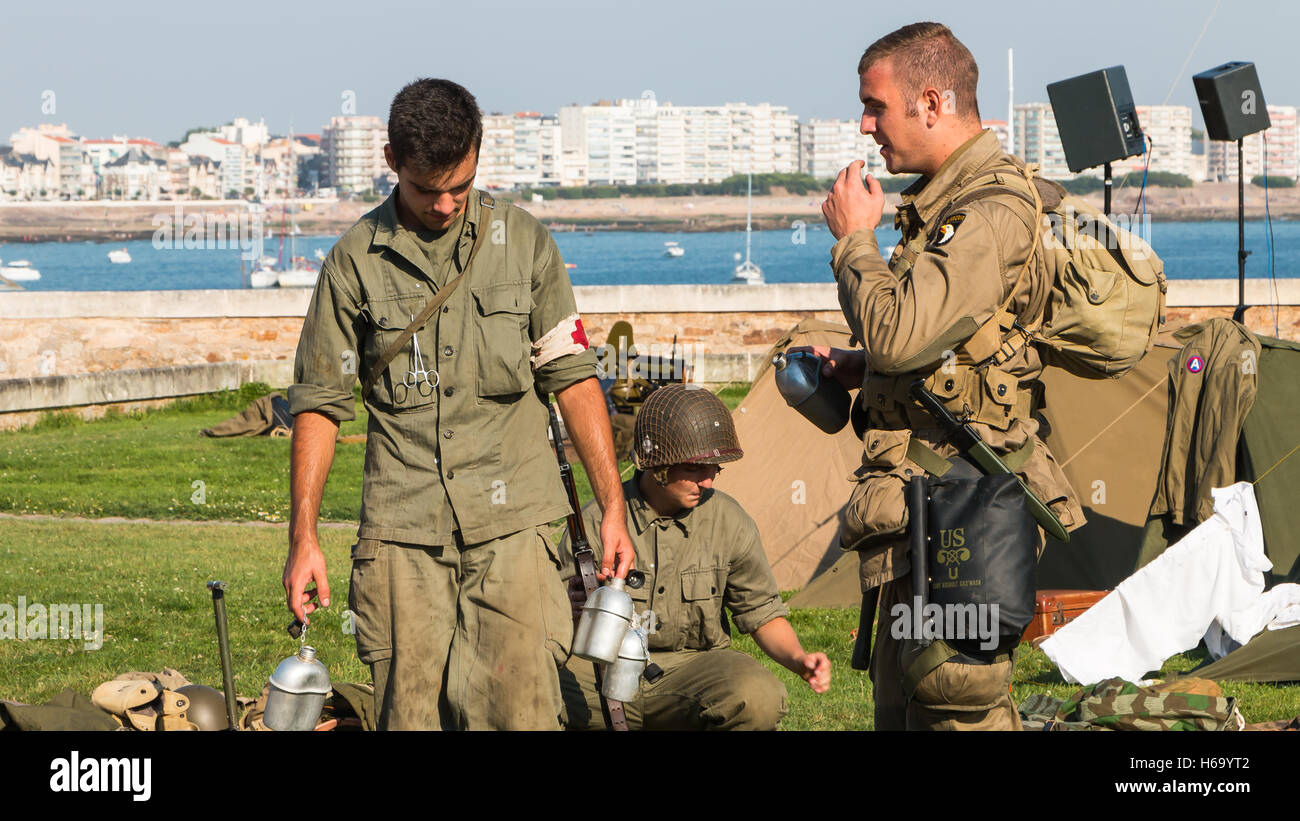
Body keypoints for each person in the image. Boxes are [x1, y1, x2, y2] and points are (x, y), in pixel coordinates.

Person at [282, 78, 634, 730]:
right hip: (402, 532)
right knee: (407, 714)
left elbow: (575, 376)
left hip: (516, 527)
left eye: (461, 186)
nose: (445, 204)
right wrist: (303, 536)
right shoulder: (351, 264)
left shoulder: (525, 244)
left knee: (521, 710)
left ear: (479, 152)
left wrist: (611, 503)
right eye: (426, 189)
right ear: (391, 160)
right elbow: (319, 406)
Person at [814, 22, 1084, 730]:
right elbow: (938, 345)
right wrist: (861, 365)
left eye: (876, 106)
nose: (865, 125)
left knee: (957, 705)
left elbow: (901, 334)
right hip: (925, 506)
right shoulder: (941, 207)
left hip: (962, 506)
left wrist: (853, 241)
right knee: (908, 711)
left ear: (931, 104)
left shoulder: (989, 212)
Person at [558, 384, 831, 730]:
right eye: (694, 467)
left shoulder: (729, 521)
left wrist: (800, 660)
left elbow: (761, 612)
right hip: (601, 667)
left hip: (693, 669)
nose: (707, 480)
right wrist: (574, 604)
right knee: (546, 692)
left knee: (758, 696)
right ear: (656, 463)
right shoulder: (601, 522)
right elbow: (551, 616)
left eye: (714, 467)